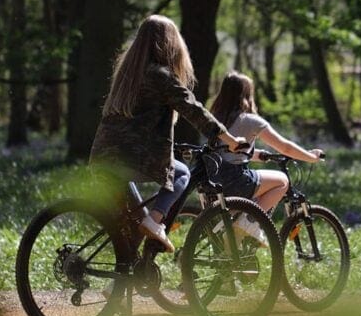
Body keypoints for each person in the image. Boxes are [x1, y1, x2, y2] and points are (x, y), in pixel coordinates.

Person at [89, 15, 247, 253]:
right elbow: (193, 109)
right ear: (170, 44)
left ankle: (121, 282)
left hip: (103, 158)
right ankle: (155, 221)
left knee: (136, 225)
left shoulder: (127, 75)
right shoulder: (159, 75)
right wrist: (230, 140)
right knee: (181, 174)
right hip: (129, 158)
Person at [209, 71, 323, 236]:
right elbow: (285, 148)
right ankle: (248, 223)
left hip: (214, 180)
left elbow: (227, 152)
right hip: (235, 182)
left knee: (258, 185)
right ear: (247, 95)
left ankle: (235, 239)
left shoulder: (214, 119)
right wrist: (311, 157)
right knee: (282, 181)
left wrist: (258, 155)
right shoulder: (250, 120)